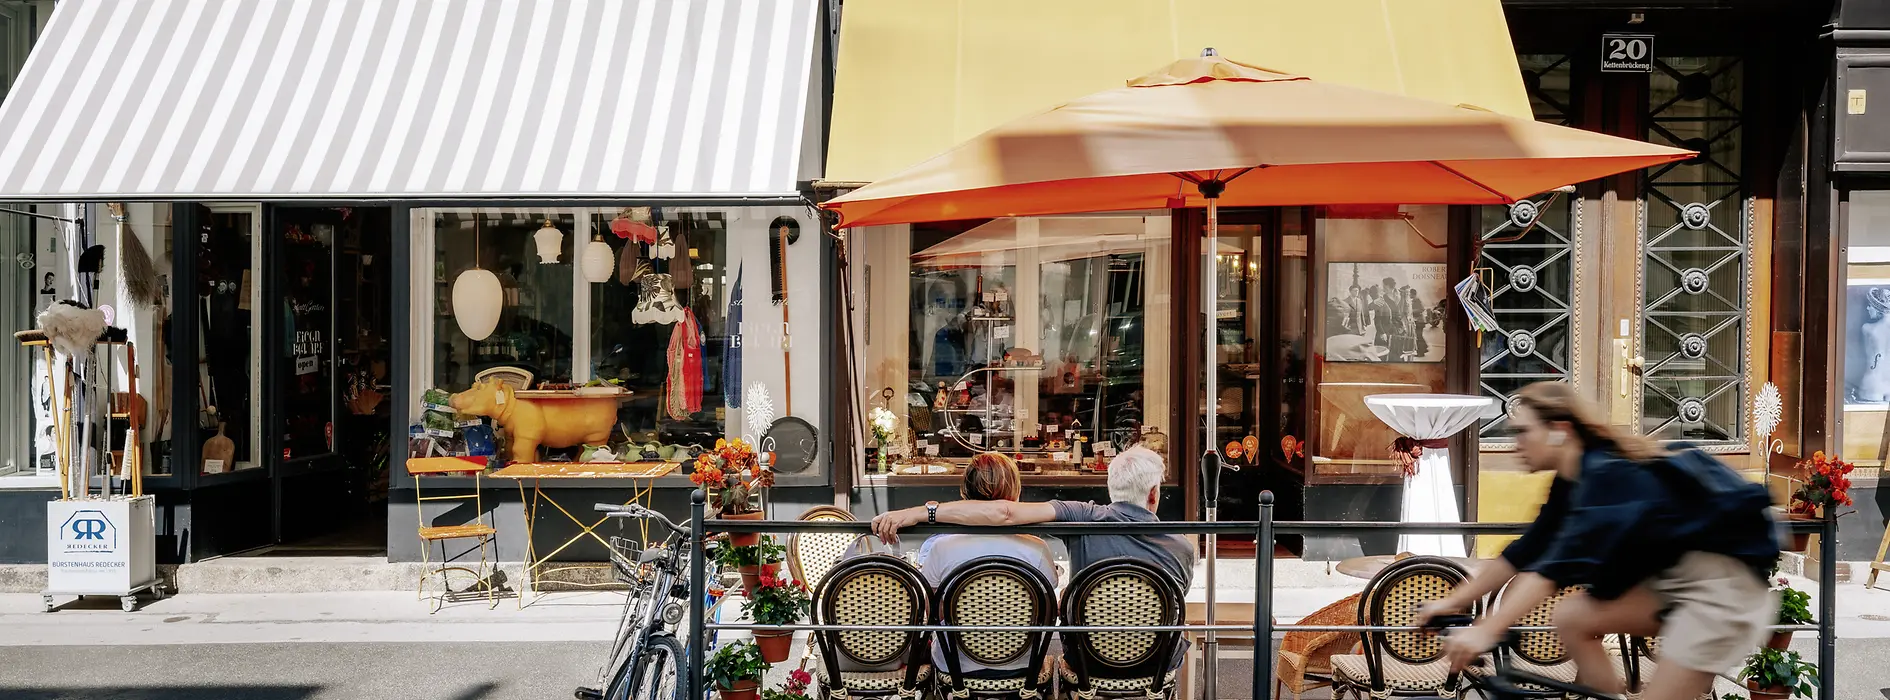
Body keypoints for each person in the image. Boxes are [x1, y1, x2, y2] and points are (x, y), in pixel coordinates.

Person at [1415, 382, 1778, 700]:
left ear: (1559, 430)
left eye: (1523, 432)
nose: (1516, 445)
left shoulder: (1605, 475)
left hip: (1723, 593)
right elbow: (1524, 553)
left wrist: (1486, 631)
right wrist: (1450, 603)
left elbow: (1552, 570)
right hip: (1674, 586)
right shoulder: (1569, 482)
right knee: (1572, 616)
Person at [871, 445, 1197, 671]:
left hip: (1088, 661)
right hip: (1155, 662)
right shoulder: (1182, 546)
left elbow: (1002, 511)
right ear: (1154, 493)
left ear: (1110, 486)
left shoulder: (1082, 515)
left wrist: (920, 512)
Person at [912, 453, 1059, 678]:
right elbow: (1048, 612)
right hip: (1023, 664)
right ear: (1015, 490)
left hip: (955, 665)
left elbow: (933, 612)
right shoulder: (1037, 548)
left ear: (965, 491)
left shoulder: (941, 548)